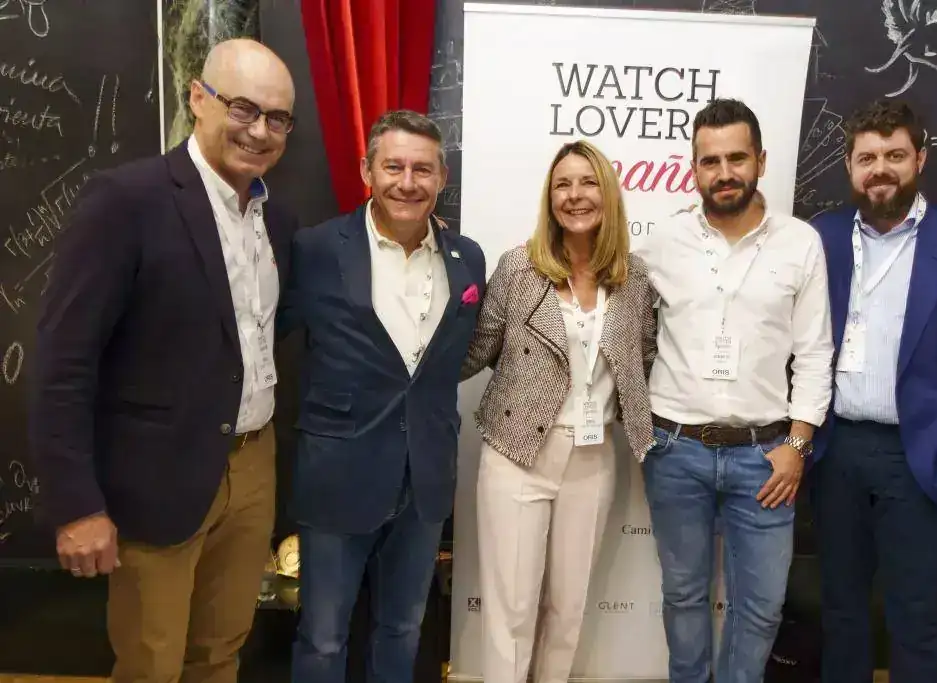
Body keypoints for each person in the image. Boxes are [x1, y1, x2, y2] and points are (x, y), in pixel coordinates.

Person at [30, 38, 297, 683]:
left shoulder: (276, 220)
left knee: (221, 651)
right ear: (198, 99)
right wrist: (77, 504)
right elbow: (62, 364)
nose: (259, 131)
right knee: (151, 662)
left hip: (252, 465)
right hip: (157, 477)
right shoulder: (126, 201)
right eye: (242, 108)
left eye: (277, 118)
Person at [809, 99, 937, 683]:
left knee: (918, 618)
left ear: (920, 159)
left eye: (895, 155)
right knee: (841, 611)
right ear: (850, 167)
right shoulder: (820, 239)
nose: (881, 168)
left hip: (922, 454)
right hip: (835, 452)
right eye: (867, 157)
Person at [281, 109, 486, 683]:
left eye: (422, 169)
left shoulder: (467, 258)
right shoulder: (316, 249)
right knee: (323, 638)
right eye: (393, 166)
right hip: (337, 475)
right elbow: (264, 336)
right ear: (366, 170)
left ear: (442, 177)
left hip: (425, 479)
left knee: (403, 629)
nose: (407, 182)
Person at [634, 98, 834, 683]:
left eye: (737, 158)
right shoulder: (662, 242)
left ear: (761, 161)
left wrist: (797, 445)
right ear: (694, 169)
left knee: (762, 606)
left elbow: (815, 352)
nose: (724, 173)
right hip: (675, 451)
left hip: (766, 458)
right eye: (710, 161)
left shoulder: (800, 243)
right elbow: (620, 317)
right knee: (683, 596)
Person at [460, 140, 657, 683]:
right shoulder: (520, 268)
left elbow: (645, 359)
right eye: (563, 184)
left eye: (588, 182)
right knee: (512, 611)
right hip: (517, 454)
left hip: (593, 459)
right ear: (549, 198)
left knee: (568, 611)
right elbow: (478, 349)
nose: (575, 195)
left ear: (608, 193)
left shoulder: (634, 278)